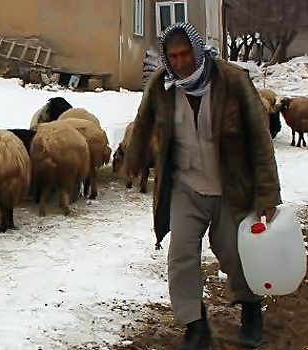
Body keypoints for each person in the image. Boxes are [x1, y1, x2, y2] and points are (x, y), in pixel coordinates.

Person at [119, 22, 282, 350]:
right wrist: (134, 159)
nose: (179, 62)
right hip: (186, 186)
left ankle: (251, 308)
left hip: (229, 186)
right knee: (180, 256)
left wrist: (267, 193)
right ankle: (195, 324)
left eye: (185, 54)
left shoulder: (232, 80)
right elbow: (144, 120)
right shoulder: (162, 86)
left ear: (197, 50)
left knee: (234, 254)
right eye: (173, 56)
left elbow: (259, 139)